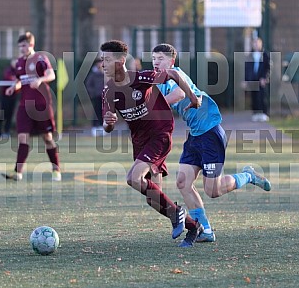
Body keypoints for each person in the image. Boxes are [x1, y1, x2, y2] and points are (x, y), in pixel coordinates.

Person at [152, 43, 272, 242]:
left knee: (213, 190)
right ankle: (205, 229)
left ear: (171, 61)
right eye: (154, 59)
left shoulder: (174, 74)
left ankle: (248, 176)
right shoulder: (159, 81)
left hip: (210, 133)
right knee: (183, 182)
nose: (156, 63)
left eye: (160, 59)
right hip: (195, 136)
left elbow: (180, 94)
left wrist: (155, 107)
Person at [101, 40, 203, 247]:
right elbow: (107, 125)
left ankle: (179, 214)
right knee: (153, 197)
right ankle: (194, 227)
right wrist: (108, 123)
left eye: (107, 59)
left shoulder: (141, 78)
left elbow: (174, 74)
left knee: (133, 178)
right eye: (102, 60)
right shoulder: (108, 92)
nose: (102, 64)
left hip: (160, 134)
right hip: (140, 142)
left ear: (121, 61)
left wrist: (194, 98)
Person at [2, 31, 61, 182]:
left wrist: (40, 80)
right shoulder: (20, 62)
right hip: (24, 106)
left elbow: (51, 75)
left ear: (31, 45)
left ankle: (56, 169)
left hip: (41, 105)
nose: (21, 48)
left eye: (24, 45)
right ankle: (18, 172)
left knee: (47, 138)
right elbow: (20, 80)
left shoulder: (40, 58)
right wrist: (13, 87)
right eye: (19, 46)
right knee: (22, 138)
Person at [243, 37, 270, 122]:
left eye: (258, 43)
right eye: (254, 43)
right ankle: (255, 113)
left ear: (261, 44)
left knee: (262, 96)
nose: (256, 45)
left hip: (261, 79)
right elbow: (247, 69)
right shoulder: (250, 55)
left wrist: (265, 78)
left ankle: (264, 114)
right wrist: (246, 80)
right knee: (254, 96)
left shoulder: (265, 54)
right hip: (252, 78)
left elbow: (268, 68)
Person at [0, 58, 18, 139]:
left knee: (10, 114)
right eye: (14, 62)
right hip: (5, 96)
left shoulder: (18, 71)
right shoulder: (8, 70)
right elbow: (8, 78)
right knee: (3, 113)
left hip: (13, 96)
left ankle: (7, 131)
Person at [85, 58, 105, 136]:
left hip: (104, 96)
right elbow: (89, 85)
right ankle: (95, 127)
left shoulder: (106, 73)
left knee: (103, 111)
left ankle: (102, 127)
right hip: (96, 96)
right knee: (96, 111)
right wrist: (93, 93)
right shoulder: (93, 74)